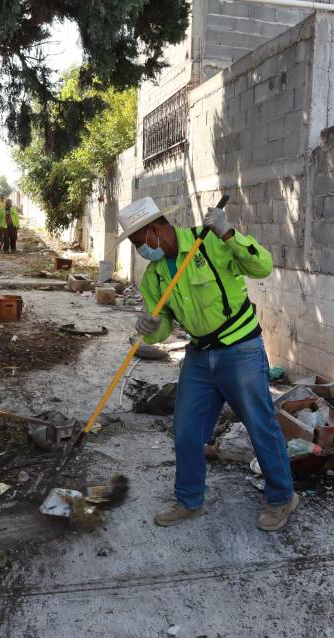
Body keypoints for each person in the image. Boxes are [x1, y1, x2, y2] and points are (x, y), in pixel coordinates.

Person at [117, 197, 298, 531]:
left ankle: (281, 498)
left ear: (155, 230)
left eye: (138, 241)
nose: (139, 249)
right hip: (199, 355)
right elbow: (163, 327)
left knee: (260, 425)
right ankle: (189, 500)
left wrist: (229, 233)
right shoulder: (154, 276)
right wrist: (149, 326)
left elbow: (262, 267)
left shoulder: (210, 241)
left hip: (240, 348)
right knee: (185, 429)